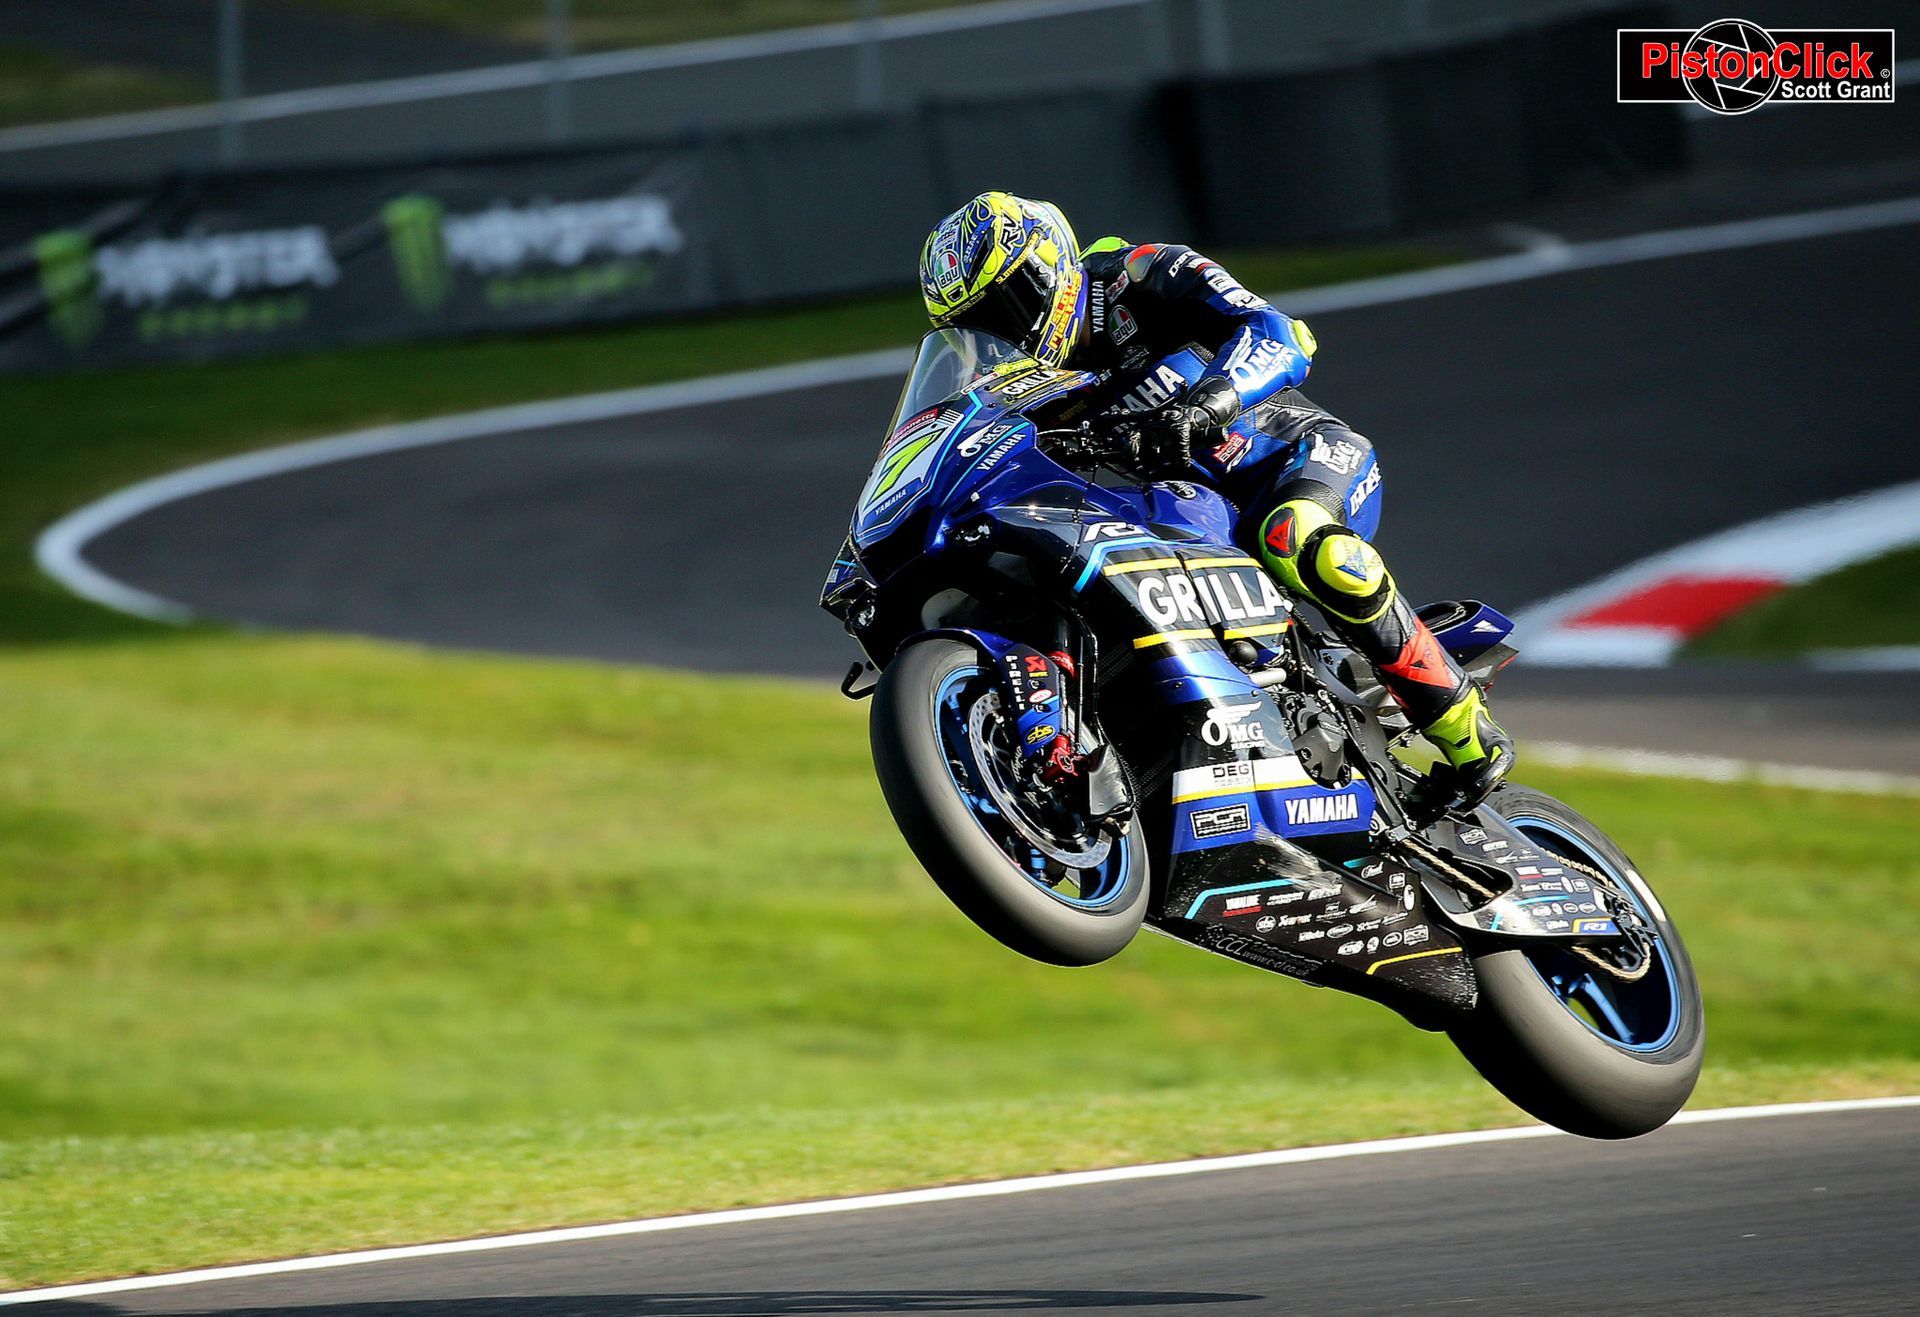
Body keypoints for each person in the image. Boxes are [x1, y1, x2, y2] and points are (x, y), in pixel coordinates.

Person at [918, 191, 1514, 804]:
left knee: (1296, 537)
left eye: (1007, 305)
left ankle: (1463, 725)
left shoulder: (1142, 274)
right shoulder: (1015, 383)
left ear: (1050, 269)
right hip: (1187, 502)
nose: (1001, 332)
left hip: (1291, 455)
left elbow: (1284, 336)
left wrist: (1207, 406)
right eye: (979, 324)